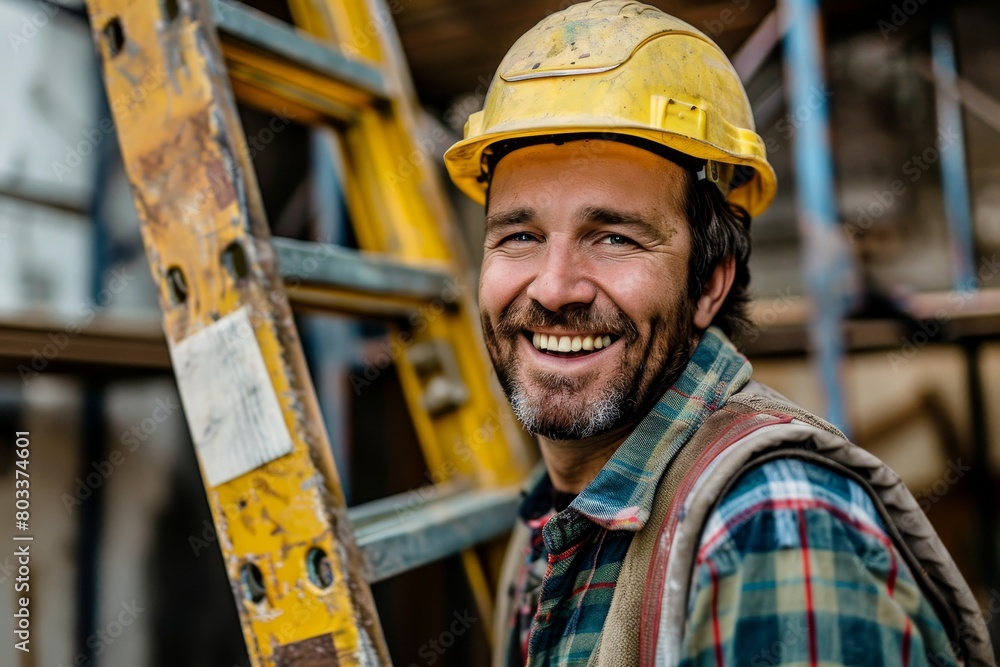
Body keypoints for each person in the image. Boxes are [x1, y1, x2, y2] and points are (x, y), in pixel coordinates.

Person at [443, 2, 992, 666]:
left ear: (710, 283)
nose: (554, 288)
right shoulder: (550, 525)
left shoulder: (772, 527)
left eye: (614, 237)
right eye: (520, 236)